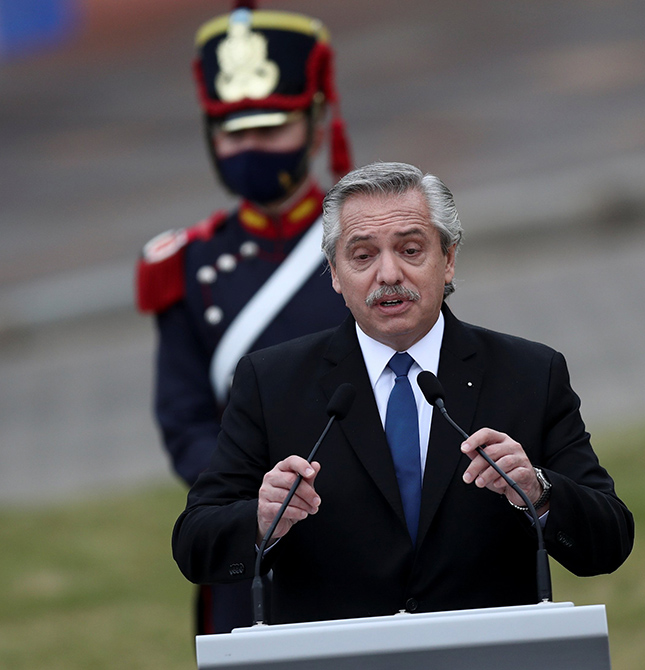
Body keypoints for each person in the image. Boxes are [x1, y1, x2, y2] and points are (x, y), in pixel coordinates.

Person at [172, 161, 635, 624]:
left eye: (411, 250)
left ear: (448, 259)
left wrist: (539, 491)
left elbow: (609, 541)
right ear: (334, 273)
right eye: (362, 256)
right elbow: (196, 544)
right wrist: (260, 518)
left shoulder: (530, 373)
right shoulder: (270, 381)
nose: (388, 274)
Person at [134, 3, 353, 634]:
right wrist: (259, 498)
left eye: (270, 127)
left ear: (314, 125)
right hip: (253, 537)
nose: (250, 148)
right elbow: (184, 421)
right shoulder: (189, 264)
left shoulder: (369, 244)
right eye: (233, 133)